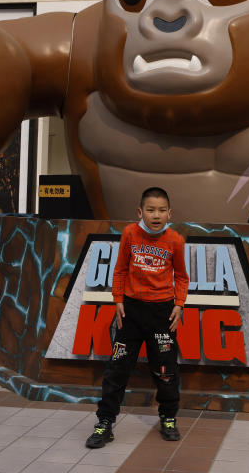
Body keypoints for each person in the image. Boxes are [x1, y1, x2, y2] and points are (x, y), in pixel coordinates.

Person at [86, 187, 189, 449]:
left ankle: (168, 419)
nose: (156, 215)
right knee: (117, 370)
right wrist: (118, 299)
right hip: (130, 313)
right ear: (140, 212)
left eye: (162, 210)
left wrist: (179, 304)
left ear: (170, 213)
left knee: (166, 371)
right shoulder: (130, 233)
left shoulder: (175, 240)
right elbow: (120, 270)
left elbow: (181, 276)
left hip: (162, 314)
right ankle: (105, 423)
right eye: (151, 210)